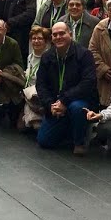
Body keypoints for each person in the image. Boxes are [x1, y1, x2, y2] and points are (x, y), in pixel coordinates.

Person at [35, 23, 98, 155]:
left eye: (62, 33)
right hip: (55, 104)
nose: (58, 37)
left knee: (76, 108)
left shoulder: (84, 54)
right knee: (44, 141)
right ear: (51, 37)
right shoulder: (47, 56)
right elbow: (40, 84)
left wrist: (64, 101)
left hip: (78, 101)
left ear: (70, 34)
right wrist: (50, 105)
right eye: (55, 34)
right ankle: (70, 130)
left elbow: (88, 82)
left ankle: (79, 142)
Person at [19, 26, 51, 132]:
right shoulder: (30, 57)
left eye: (40, 39)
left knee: (37, 127)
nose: (36, 41)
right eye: (34, 38)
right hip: (28, 95)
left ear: (46, 42)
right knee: (22, 128)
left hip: (41, 97)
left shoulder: (49, 58)